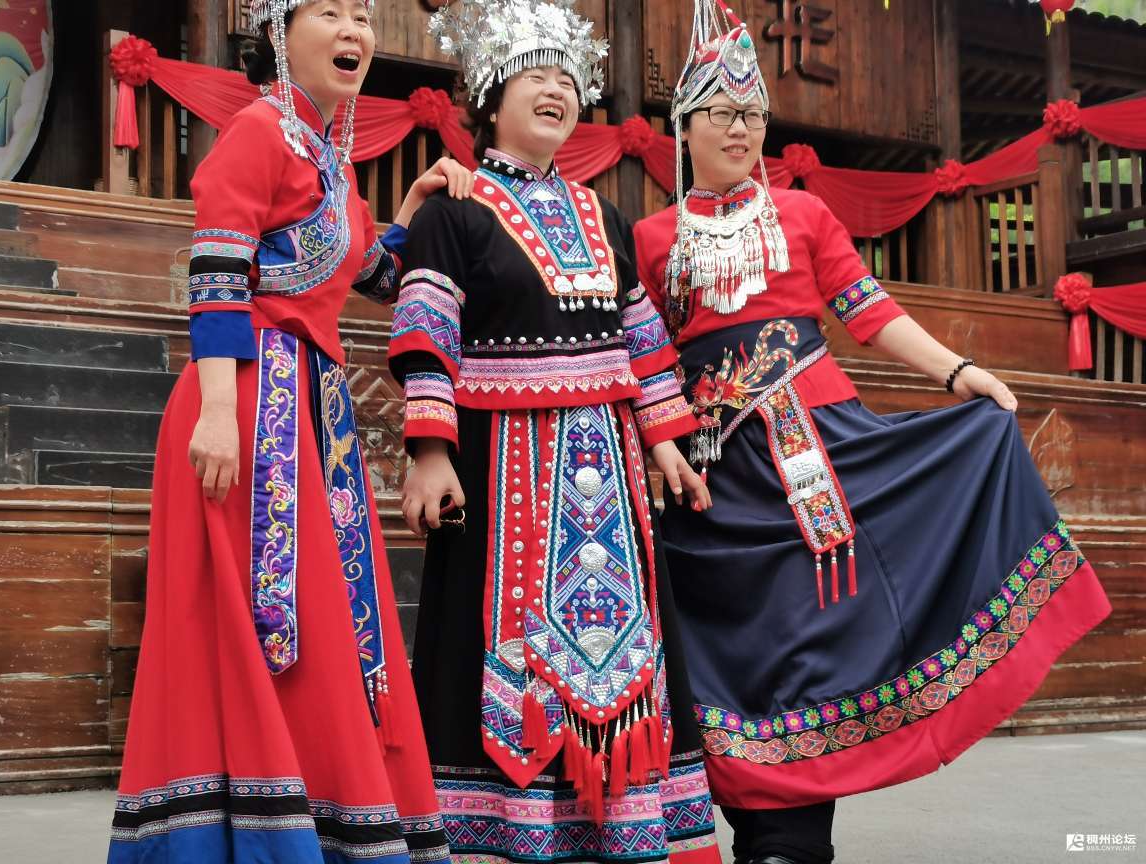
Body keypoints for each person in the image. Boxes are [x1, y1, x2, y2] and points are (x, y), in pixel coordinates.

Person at [632, 3, 1113, 863]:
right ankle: (752, 820)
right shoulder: (650, 237)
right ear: (686, 126)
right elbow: (646, 355)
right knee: (734, 648)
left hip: (816, 455)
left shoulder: (805, 215)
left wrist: (959, 374)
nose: (740, 129)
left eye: (753, 114)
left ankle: (792, 839)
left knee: (816, 639)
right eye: (722, 113)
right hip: (711, 478)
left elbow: (870, 311)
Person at [106, 2, 473, 861]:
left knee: (322, 623)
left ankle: (310, 817)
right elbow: (218, 271)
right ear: (280, 32)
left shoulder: (331, 161)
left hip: (308, 407)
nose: (354, 32)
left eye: (363, 15)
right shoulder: (257, 132)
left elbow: (375, 273)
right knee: (257, 623)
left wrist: (415, 206)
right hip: (245, 402)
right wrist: (221, 413)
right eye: (330, 11)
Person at [386, 2, 722, 862]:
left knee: (627, 652)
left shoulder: (604, 216)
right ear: (491, 99)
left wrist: (667, 443)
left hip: (608, 467)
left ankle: (620, 822)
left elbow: (642, 341)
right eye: (535, 75)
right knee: (494, 648)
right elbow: (425, 331)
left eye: (569, 80)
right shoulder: (455, 210)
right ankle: (500, 829)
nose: (557, 90)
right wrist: (431, 453)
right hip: (498, 469)